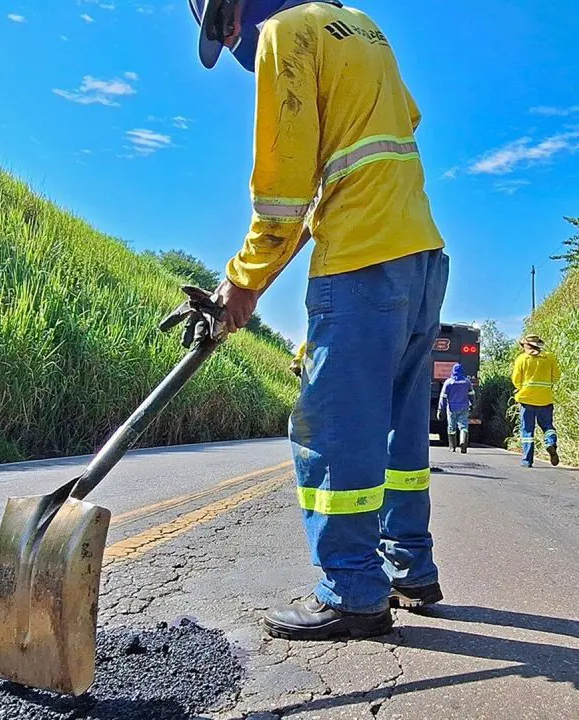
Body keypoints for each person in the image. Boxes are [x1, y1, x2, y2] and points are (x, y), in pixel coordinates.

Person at [188, 0, 448, 641]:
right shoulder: (359, 25)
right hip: (421, 259)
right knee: (399, 430)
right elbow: (373, 147)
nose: (232, 46)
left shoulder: (285, 34)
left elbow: (281, 195)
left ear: (237, 9)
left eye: (223, 28)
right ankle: (409, 566)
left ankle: (353, 591)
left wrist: (242, 282)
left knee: (333, 428)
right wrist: (244, 286)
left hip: (360, 262)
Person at [512, 334, 561, 468]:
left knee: (527, 430)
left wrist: (521, 388)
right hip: (545, 399)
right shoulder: (549, 357)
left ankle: (527, 460)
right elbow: (556, 376)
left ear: (525, 346)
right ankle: (550, 443)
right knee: (548, 426)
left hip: (526, 400)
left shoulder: (522, 359)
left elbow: (516, 379)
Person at [437, 363, 474, 453]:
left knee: (451, 427)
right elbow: (472, 395)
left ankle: (452, 447)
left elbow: (443, 397)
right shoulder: (467, 382)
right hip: (464, 407)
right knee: (464, 426)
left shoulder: (448, 382)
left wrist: (440, 409)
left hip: (452, 408)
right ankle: (463, 443)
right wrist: (472, 404)